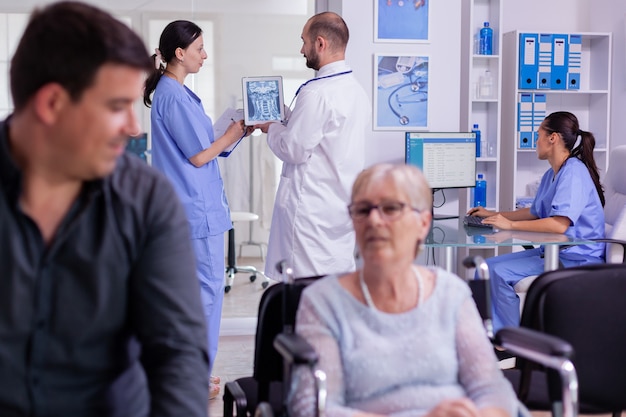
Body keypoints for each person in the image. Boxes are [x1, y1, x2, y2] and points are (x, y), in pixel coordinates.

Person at [0, 2, 209, 416]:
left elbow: (178, 352)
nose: (133, 127)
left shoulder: (147, 200)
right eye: (117, 106)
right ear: (52, 104)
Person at [288, 163, 518, 417]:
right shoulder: (323, 302)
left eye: (390, 208)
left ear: (423, 222)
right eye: (363, 210)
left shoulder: (450, 293)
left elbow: (491, 387)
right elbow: (312, 407)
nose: (374, 220)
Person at [143, 20, 253, 400]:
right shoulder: (172, 96)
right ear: (179, 52)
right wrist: (232, 133)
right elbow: (198, 154)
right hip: (195, 214)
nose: (204, 55)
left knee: (195, 295)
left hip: (194, 211)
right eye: (199, 49)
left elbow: (208, 145)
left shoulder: (179, 95)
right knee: (206, 295)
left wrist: (231, 133)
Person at [255, 11, 371, 279]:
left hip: (311, 215)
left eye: (304, 41)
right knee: (334, 290)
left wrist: (270, 127)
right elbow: (322, 138)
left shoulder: (316, 93)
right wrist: (285, 117)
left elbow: (293, 150)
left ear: (320, 43)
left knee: (304, 294)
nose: (301, 49)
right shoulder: (356, 91)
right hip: (338, 212)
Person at [468, 111, 605, 331]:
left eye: (539, 134)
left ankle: (509, 340)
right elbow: (534, 212)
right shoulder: (553, 173)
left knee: (497, 273)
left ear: (553, 138)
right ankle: (491, 332)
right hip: (556, 251)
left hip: (578, 258)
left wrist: (510, 226)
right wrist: (493, 214)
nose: (536, 140)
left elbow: (559, 224)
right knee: (486, 267)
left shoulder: (573, 173)